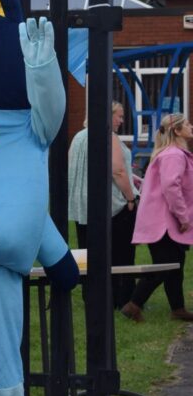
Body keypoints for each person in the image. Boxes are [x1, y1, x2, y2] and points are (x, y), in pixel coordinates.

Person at [67, 101, 141, 309]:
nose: (121, 120)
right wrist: (129, 198)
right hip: (113, 206)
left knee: (89, 252)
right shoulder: (108, 137)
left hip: (84, 205)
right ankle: (121, 297)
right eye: (119, 115)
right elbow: (117, 171)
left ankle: (92, 296)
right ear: (108, 116)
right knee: (121, 253)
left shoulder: (79, 137)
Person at [123, 113, 193, 322]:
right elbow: (172, 187)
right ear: (177, 131)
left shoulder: (172, 153)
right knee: (165, 266)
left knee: (175, 265)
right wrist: (183, 217)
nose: (191, 127)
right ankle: (133, 305)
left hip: (163, 221)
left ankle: (178, 308)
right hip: (165, 222)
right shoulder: (174, 155)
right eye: (187, 124)